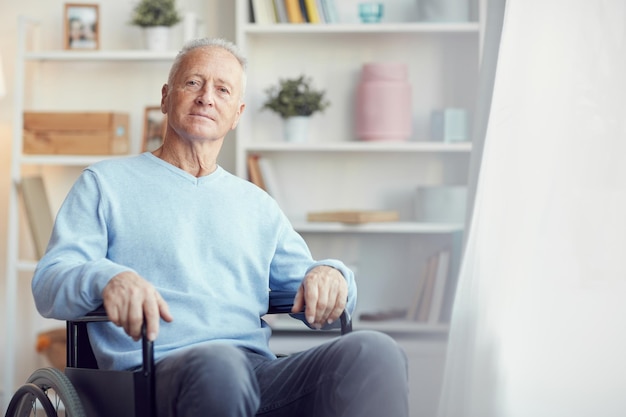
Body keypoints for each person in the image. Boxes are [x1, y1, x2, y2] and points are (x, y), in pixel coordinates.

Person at [32, 37, 409, 417]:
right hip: (153, 373)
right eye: (193, 82)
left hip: (257, 372)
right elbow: (50, 281)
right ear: (166, 97)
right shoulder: (105, 183)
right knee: (219, 364)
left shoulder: (256, 204)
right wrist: (107, 278)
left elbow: (314, 287)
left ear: (237, 112)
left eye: (222, 89)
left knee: (374, 350)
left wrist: (333, 275)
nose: (206, 97)